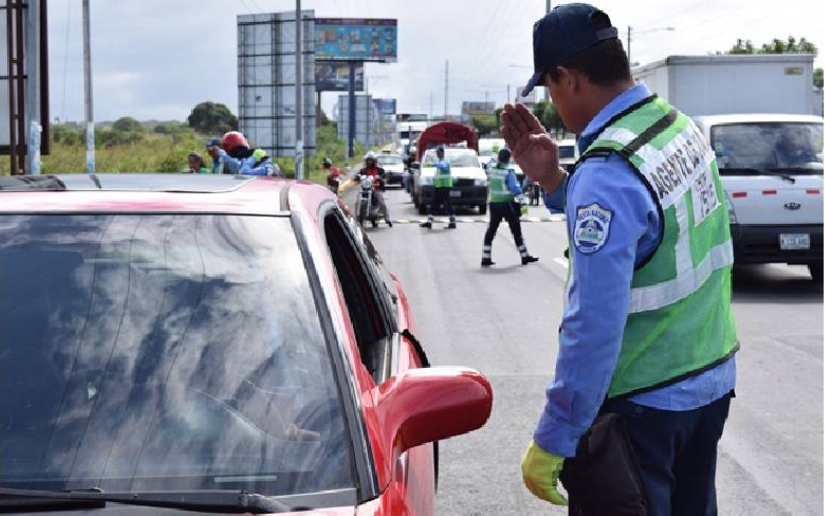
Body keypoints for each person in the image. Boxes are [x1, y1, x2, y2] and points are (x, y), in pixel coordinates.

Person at [504, 5, 737, 516]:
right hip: (710, 381)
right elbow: (650, 226)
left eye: (550, 89)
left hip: (644, 407)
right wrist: (554, 180)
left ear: (568, 77)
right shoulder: (676, 128)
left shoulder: (607, 171)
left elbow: (593, 324)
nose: (553, 103)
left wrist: (556, 436)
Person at [482, 148, 539, 267]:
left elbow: (488, 165)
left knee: (491, 230)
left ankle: (485, 257)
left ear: (499, 158)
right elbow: (515, 188)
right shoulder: (508, 172)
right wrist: (523, 203)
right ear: (508, 159)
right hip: (506, 203)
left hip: (494, 203)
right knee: (516, 229)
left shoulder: (491, 169)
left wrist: (493, 156)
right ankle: (524, 256)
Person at [420, 145, 457, 229]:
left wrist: (432, 164)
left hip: (444, 187)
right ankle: (429, 222)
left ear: (443, 153)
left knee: (447, 204)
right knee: (434, 204)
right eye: (437, 152)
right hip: (439, 186)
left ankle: (452, 222)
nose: (437, 154)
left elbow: (443, 166)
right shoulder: (440, 161)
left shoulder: (445, 161)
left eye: (439, 152)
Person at [358, 152, 393, 227]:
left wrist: (380, 178)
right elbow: (358, 176)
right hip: (366, 189)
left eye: (371, 160)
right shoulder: (363, 170)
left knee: (381, 201)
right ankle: (358, 217)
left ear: (374, 161)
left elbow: (384, 178)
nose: (369, 162)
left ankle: (387, 218)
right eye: (368, 160)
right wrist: (357, 177)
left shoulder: (380, 170)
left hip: (377, 189)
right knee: (358, 200)